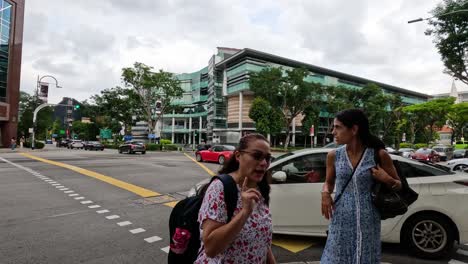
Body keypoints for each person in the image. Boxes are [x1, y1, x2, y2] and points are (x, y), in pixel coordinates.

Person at [320, 109, 402, 264]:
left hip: (368, 217)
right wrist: (325, 193)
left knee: (365, 256)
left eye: (338, 127)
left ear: (354, 129)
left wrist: (386, 179)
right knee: (336, 256)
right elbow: (329, 182)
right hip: (341, 218)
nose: (333, 132)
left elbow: (399, 186)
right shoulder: (333, 155)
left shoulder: (378, 154)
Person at [195, 133, 276, 264]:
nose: (264, 163)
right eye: (256, 156)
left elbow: (262, 242)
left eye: (267, 158)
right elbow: (210, 249)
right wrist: (244, 213)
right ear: (238, 156)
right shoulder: (220, 188)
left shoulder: (261, 189)